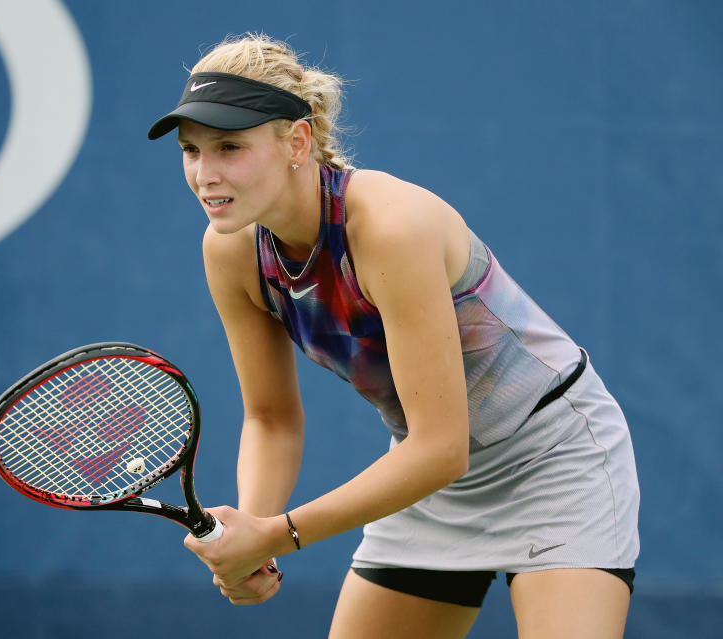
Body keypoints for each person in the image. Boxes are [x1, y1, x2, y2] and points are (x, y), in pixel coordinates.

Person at [147, 33, 640, 639]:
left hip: (554, 461)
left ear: (297, 140)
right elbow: (272, 418)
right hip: (430, 478)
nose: (205, 173)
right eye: (191, 150)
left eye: (230, 147)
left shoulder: (389, 227)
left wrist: (280, 533)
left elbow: (442, 447)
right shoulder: (230, 250)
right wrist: (251, 529)